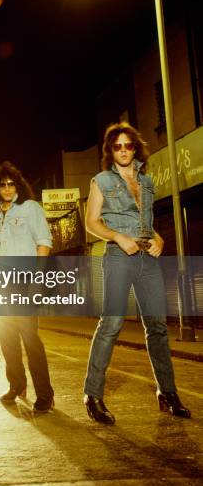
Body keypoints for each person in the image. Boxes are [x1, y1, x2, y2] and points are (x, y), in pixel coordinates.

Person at [83, 122, 191, 423]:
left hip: (148, 260)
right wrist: (118, 237)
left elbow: (146, 222)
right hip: (119, 257)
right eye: (117, 146)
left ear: (135, 148)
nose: (123, 150)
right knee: (112, 323)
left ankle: (167, 393)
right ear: (110, 150)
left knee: (157, 327)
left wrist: (158, 238)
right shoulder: (101, 180)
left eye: (128, 145)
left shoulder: (147, 182)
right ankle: (93, 395)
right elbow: (91, 222)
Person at [0, 161, 55, 413]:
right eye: (2, 184)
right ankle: (16, 385)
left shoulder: (29, 208)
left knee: (30, 338)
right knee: (7, 340)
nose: (6, 188)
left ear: (18, 184)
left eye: (11, 183)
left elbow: (44, 242)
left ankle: (46, 394)